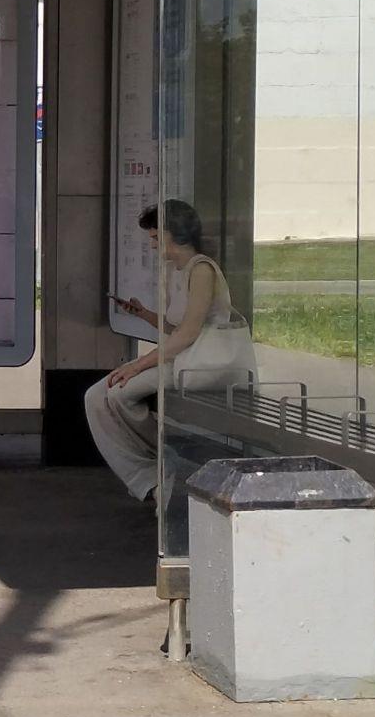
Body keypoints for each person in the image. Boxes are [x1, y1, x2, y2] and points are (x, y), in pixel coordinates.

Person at [84, 200, 254, 501]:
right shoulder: (174, 270)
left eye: (154, 237)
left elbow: (188, 332)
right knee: (95, 397)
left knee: (119, 394)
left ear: (172, 233)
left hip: (202, 363)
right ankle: (151, 474)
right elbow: (174, 327)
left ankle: (168, 456)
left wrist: (137, 365)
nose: (151, 245)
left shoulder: (202, 270)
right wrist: (143, 314)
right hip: (182, 358)